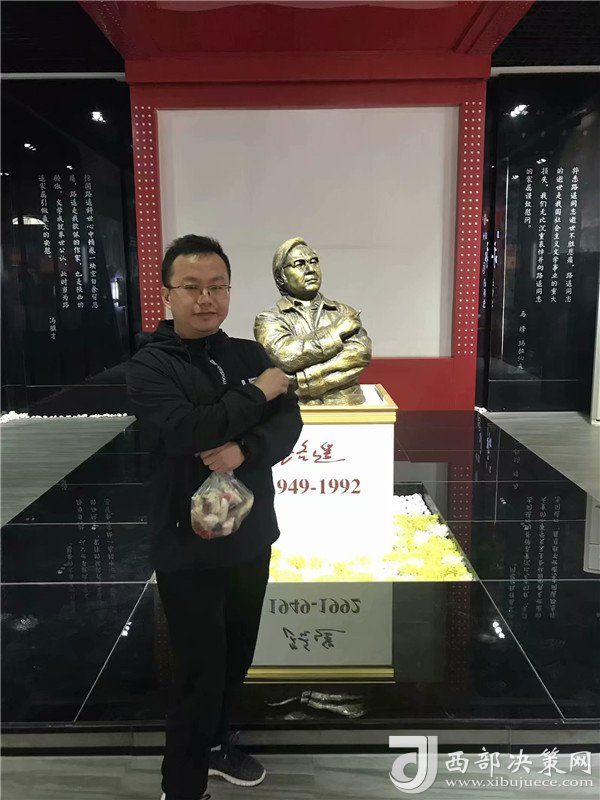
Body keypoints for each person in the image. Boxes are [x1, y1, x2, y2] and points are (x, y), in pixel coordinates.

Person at [125, 235, 302, 800]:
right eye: (192, 287)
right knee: (199, 669)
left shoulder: (249, 353)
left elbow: (288, 424)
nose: (207, 298)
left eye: (218, 287)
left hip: (250, 535)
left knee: (237, 655)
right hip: (187, 544)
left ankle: (218, 744)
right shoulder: (150, 365)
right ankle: (182, 786)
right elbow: (185, 430)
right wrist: (257, 394)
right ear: (167, 293)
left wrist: (243, 449)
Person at [254, 236, 372, 405]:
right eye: (299, 264)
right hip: (293, 408)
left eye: (314, 261)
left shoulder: (343, 312)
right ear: (281, 278)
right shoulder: (268, 319)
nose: (310, 269)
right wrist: (335, 333)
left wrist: (302, 381)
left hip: (345, 402)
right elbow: (285, 355)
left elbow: (360, 355)